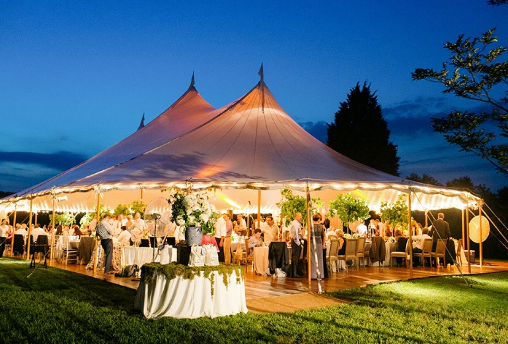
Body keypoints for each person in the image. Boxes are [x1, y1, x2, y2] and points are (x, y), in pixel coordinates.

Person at [310, 213, 325, 279]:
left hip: (312, 243)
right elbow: (324, 236)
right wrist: (323, 244)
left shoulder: (310, 227)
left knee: (313, 258)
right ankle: (320, 274)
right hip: (319, 242)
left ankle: (313, 275)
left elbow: (308, 236)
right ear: (318, 219)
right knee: (319, 258)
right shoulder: (321, 227)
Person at [289, 212, 303, 278]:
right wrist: (298, 242)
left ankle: (294, 273)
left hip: (296, 241)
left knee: (296, 257)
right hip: (296, 241)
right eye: (300, 216)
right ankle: (294, 273)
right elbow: (295, 234)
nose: (301, 217)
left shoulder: (297, 223)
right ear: (296, 216)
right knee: (295, 257)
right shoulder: (295, 224)